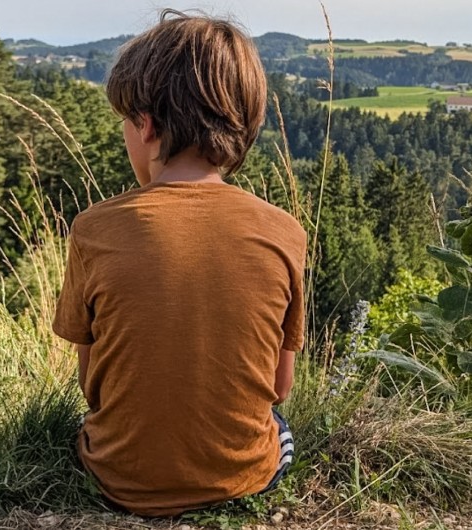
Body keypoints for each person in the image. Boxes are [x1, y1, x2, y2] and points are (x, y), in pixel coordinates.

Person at [51, 9, 307, 518]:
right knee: (279, 429)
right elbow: (279, 387)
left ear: (145, 124)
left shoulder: (93, 229)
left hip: (116, 482)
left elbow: (92, 385)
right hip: (242, 481)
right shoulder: (285, 231)